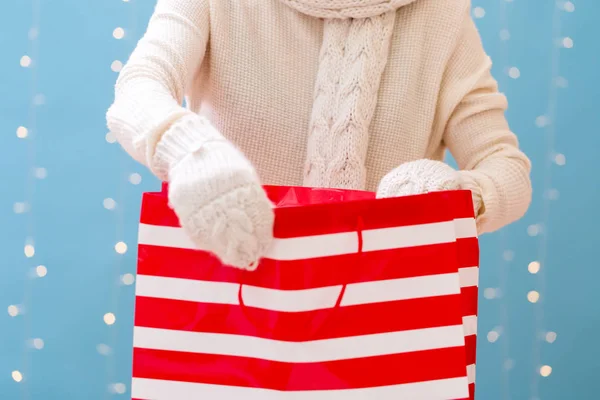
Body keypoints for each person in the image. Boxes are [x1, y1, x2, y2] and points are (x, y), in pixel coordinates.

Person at [107, 0, 532, 270]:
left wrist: (455, 193)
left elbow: (505, 166)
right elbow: (139, 87)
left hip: (385, 323)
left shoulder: (443, 15)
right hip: (226, 313)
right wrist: (191, 153)